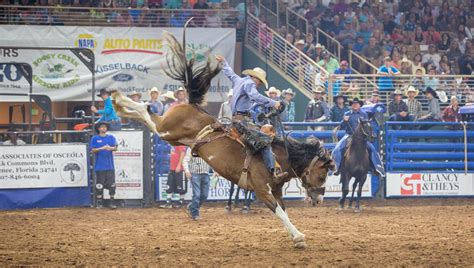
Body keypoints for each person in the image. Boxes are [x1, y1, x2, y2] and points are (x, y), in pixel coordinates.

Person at [215, 54, 287, 182]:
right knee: (265, 140)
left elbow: (230, 73)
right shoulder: (250, 84)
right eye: (259, 81)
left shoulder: (239, 80)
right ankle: (273, 171)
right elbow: (255, 96)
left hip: (236, 119)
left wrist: (224, 62)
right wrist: (273, 103)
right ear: (255, 77)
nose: (259, 84)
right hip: (243, 121)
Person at [331, 98, 385, 177]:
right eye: (353, 103)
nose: (355, 105)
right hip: (349, 135)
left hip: (362, 137)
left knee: (372, 148)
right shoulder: (347, 113)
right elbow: (342, 126)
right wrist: (344, 121)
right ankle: (336, 167)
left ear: (359, 105)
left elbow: (367, 126)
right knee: (338, 148)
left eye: (357, 103)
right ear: (351, 105)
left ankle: (377, 167)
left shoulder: (364, 114)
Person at [90, 122, 118, 209]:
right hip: (100, 166)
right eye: (102, 127)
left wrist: (110, 148)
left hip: (110, 166)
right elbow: (92, 150)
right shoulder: (95, 138)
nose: (103, 128)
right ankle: (99, 202)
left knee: (112, 184)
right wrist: (102, 148)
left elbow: (116, 148)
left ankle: (111, 202)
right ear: (98, 128)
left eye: (105, 127)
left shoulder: (111, 137)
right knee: (99, 184)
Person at [183, 147, 211, 221]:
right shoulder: (191, 148)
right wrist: (187, 171)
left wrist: (216, 170)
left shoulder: (208, 148)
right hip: (195, 173)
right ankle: (195, 214)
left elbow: (212, 160)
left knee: (204, 195)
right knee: (197, 194)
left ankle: (192, 207)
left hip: (205, 173)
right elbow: (185, 160)